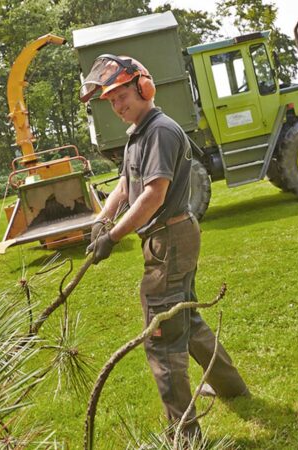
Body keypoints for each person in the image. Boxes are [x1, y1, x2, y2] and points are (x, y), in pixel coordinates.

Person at [80, 55, 249, 440]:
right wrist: (100, 221)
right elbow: (125, 187)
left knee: (161, 338)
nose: (118, 107)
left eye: (122, 96)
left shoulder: (160, 132)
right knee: (186, 319)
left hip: (169, 239)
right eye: (111, 101)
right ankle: (232, 388)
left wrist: (114, 236)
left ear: (144, 88)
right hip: (170, 239)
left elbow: (153, 196)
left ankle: (184, 435)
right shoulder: (138, 134)